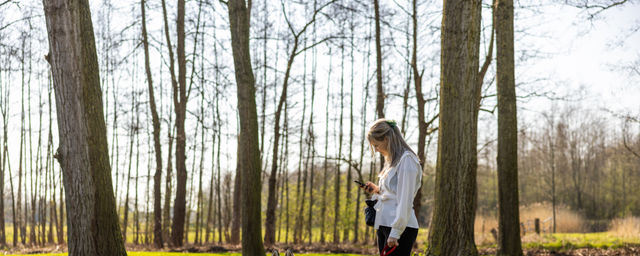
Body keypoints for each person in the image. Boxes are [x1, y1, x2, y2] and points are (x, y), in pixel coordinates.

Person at [360, 118, 422, 256]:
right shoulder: (392, 161)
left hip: (400, 227)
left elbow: (405, 200)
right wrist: (376, 190)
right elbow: (392, 193)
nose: (376, 150)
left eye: (376, 145)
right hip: (384, 223)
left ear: (387, 138)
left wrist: (395, 232)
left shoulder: (407, 160)